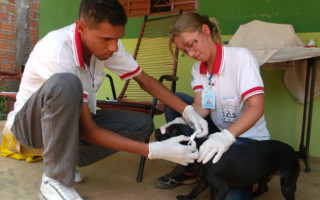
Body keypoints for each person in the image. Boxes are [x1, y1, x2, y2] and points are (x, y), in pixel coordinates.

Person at [3, 1, 209, 200]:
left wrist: (187, 111)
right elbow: (88, 130)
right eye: (106, 39)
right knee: (67, 84)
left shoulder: (108, 46)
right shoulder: (56, 50)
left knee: (141, 124)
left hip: (68, 125)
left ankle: (64, 162)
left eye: (118, 39)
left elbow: (144, 80)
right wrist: (154, 150)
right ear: (81, 28)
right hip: (30, 128)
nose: (113, 47)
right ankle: (53, 180)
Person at [156, 12, 270, 200]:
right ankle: (190, 167)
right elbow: (202, 107)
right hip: (216, 131)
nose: (191, 54)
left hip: (247, 139)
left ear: (205, 31)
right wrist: (181, 119)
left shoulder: (241, 58)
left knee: (228, 195)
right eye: (185, 52)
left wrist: (226, 137)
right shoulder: (198, 69)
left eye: (192, 44)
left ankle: (219, 168)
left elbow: (257, 107)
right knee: (175, 101)